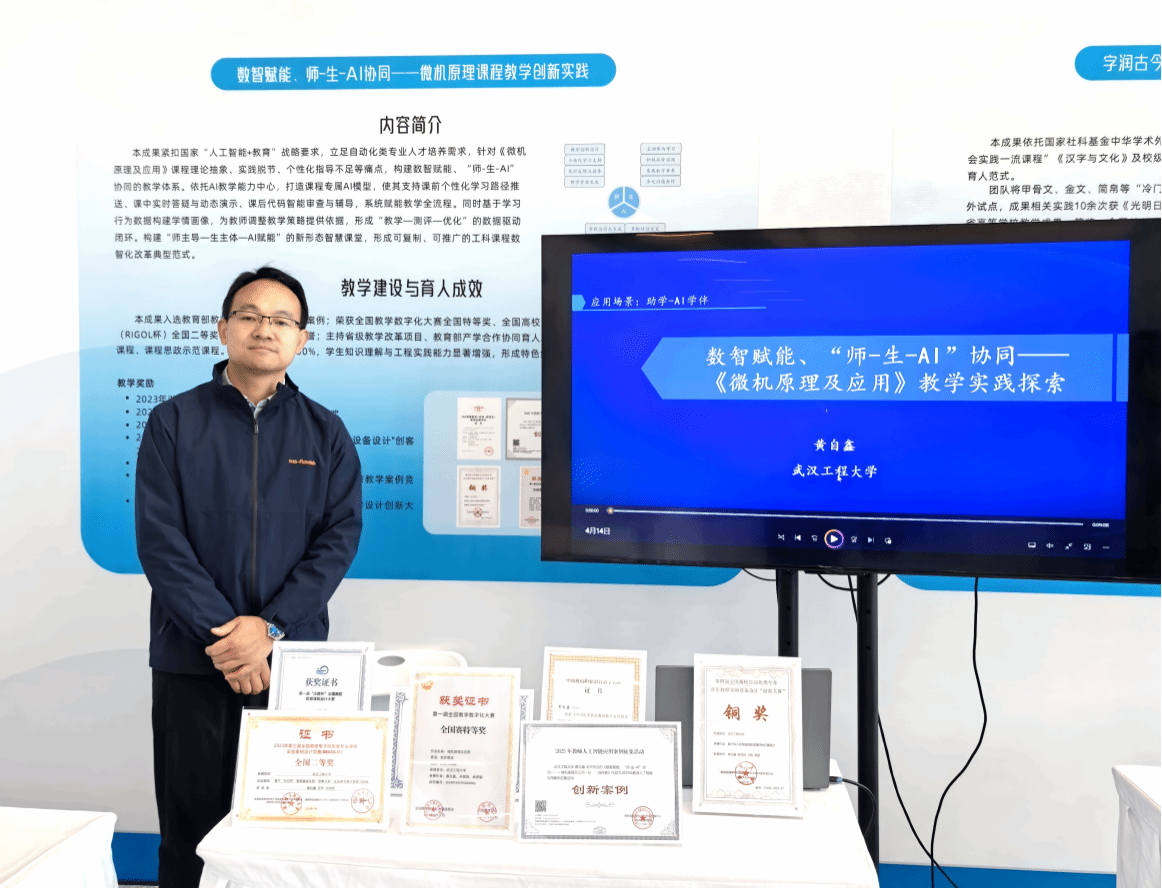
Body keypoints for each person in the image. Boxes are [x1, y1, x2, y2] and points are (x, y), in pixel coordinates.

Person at [135, 266, 362, 886]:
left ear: (302, 339)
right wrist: (228, 638)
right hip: (194, 660)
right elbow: (160, 541)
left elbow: (338, 541)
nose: (266, 329)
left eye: (282, 320)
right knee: (192, 832)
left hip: (291, 664)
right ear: (223, 329)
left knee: (285, 830)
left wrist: (270, 628)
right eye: (250, 316)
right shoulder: (173, 422)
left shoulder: (326, 431)